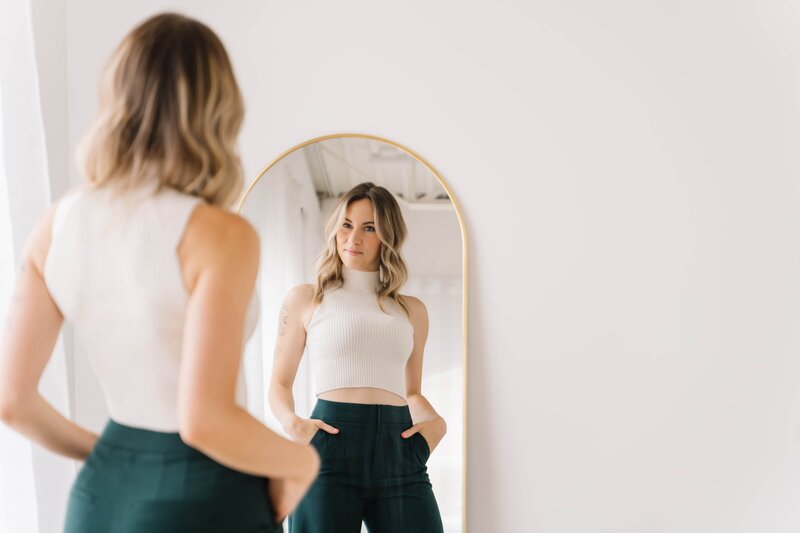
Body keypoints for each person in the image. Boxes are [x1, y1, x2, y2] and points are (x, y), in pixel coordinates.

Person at [0, 13, 318, 532]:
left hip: (98, 500)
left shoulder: (55, 225)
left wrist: (114, 458)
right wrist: (302, 462)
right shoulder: (220, 234)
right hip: (204, 495)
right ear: (218, 111)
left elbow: (12, 401)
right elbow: (204, 420)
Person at [269, 181, 446, 532]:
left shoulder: (412, 310)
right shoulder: (306, 298)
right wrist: (293, 424)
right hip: (328, 444)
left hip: (399, 449)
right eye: (346, 225)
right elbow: (279, 383)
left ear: (387, 236)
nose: (353, 238)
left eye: (369, 228)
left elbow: (411, 392)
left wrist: (437, 424)